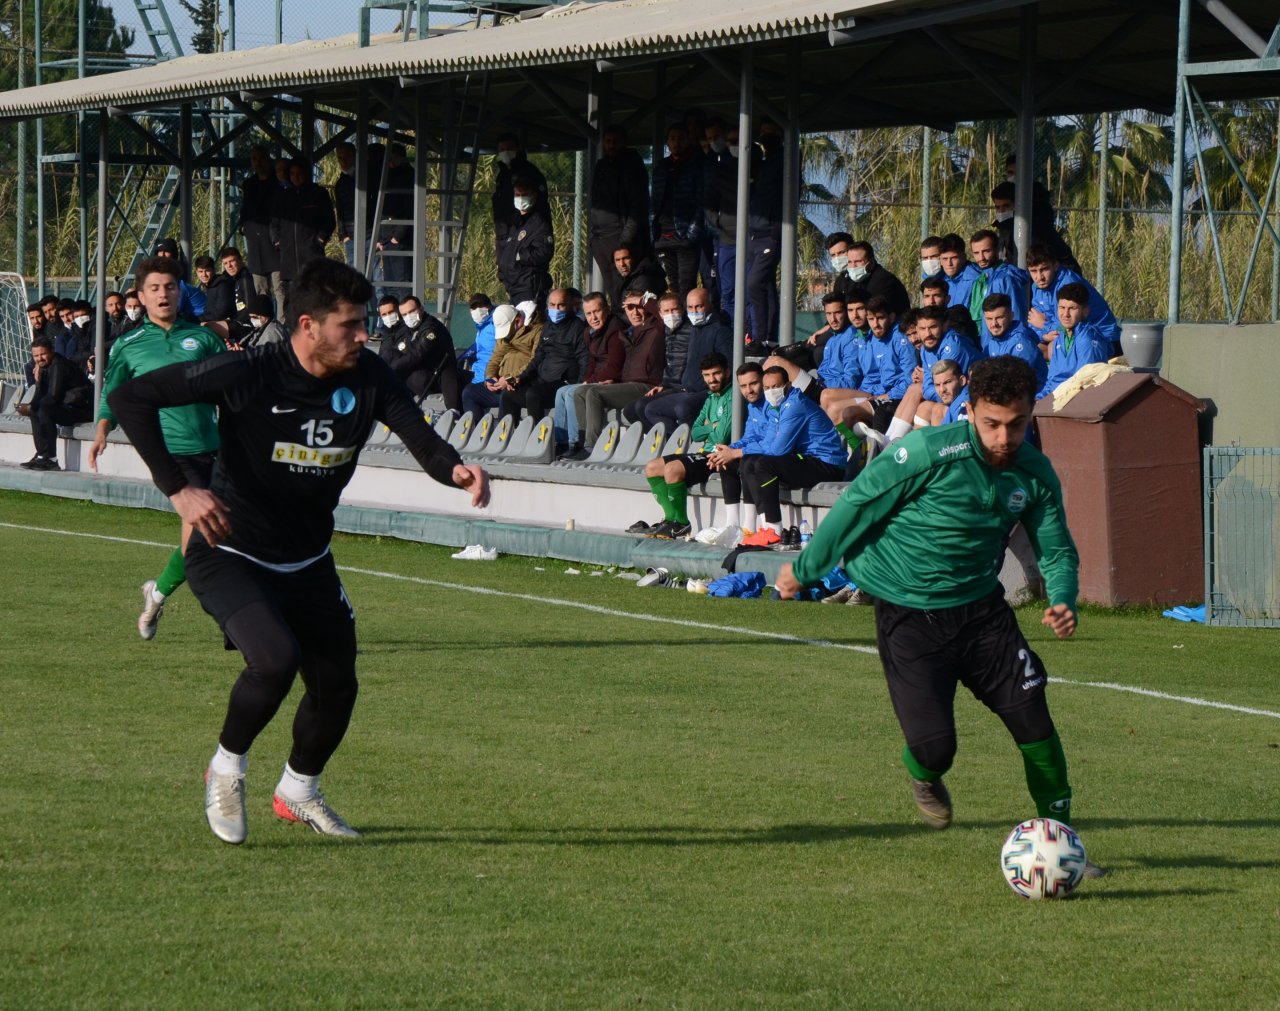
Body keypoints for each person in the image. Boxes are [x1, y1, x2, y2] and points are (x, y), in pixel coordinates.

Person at [106, 258, 491, 845]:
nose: (364, 336)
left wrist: (458, 471)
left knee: (338, 686)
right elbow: (133, 399)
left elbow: (421, 438)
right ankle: (226, 768)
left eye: (365, 324)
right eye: (351, 325)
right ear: (308, 325)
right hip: (229, 550)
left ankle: (298, 791)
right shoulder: (249, 370)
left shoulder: (369, 376)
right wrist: (180, 490)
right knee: (275, 659)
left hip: (308, 559)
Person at [776, 356, 1099, 875]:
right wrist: (806, 567)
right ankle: (923, 775)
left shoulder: (1033, 472)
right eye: (991, 423)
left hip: (982, 614)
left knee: (1035, 722)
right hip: (909, 615)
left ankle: (1065, 843)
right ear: (968, 411)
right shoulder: (926, 452)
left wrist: (1063, 597)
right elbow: (858, 503)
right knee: (935, 748)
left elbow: (1057, 549)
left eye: (1016, 425)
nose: (1003, 437)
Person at [89, 255, 227, 641]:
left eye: (170, 286)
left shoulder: (203, 338)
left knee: (210, 538)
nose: (163, 293)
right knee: (204, 533)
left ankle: (157, 593)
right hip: (171, 456)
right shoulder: (129, 345)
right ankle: (242, 623)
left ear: (180, 291)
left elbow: (233, 387)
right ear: (141, 296)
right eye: (155, 288)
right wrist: (102, 431)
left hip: (214, 449)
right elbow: (113, 395)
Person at [739, 366, 846, 546]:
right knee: (749, 461)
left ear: (787, 385)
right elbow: (767, 444)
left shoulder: (795, 404)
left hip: (827, 465)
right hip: (808, 460)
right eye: (766, 388)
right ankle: (762, 527)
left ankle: (774, 529)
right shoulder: (776, 407)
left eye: (776, 386)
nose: (771, 392)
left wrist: (738, 451)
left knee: (764, 464)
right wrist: (739, 452)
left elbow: (778, 450)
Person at [634, 353, 734, 539]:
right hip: (705, 452)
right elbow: (695, 431)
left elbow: (721, 435)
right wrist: (711, 427)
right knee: (652, 467)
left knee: (672, 469)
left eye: (716, 373)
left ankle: (681, 523)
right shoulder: (711, 397)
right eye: (707, 375)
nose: (711, 379)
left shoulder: (732, 396)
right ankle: (670, 519)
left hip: (721, 455)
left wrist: (709, 428)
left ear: (727, 372)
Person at [575, 289, 665, 453]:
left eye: (638, 307)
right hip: (627, 384)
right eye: (630, 308)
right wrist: (615, 381)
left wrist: (643, 300)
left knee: (595, 393)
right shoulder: (628, 333)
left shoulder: (656, 329)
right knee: (580, 392)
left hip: (647, 385)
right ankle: (582, 444)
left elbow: (661, 314)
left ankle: (592, 448)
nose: (635, 312)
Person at [555, 292, 625, 457]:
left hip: (612, 381)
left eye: (597, 311)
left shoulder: (616, 330)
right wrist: (587, 379)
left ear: (606, 310)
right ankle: (562, 442)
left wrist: (589, 382)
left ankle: (577, 443)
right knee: (561, 392)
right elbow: (592, 362)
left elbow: (615, 366)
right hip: (597, 379)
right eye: (588, 313)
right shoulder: (590, 332)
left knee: (573, 393)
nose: (593, 317)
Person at [500, 288, 586, 420]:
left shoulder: (578, 328)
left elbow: (583, 359)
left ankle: (537, 435)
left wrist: (579, 386)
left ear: (569, 306)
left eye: (561, 305)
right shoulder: (547, 327)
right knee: (509, 394)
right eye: (552, 305)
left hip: (563, 383)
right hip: (542, 379)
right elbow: (538, 356)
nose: (556, 309)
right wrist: (520, 377)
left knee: (533, 394)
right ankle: (508, 436)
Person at [1026, 245, 1120, 353]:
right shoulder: (1037, 287)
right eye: (1033, 271)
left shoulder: (1069, 283)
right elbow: (1033, 321)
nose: (1039, 277)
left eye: (1044, 269)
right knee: (1028, 346)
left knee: (1054, 348)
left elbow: (1070, 321)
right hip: (1064, 334)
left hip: (1103, 339)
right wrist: (1044, 336)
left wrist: (1044, 325)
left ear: (1056, 265)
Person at [588, 125, 650, 286]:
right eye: (608, 141)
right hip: (600, 238)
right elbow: (594, 203)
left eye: (615, 141)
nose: (611, 145)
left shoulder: (632, 166)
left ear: (624, 142)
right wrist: (593, 239)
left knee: (625, 286)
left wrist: (625, 240)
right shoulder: (601, 166)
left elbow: (638, 206)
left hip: (620, 236)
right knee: (612, 288)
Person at [19, 336, 93, 471]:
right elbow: (42, 397)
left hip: (82, 410)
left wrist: (33, 398)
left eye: (43, 354)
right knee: (35, 409)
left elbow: (52, 397)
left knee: (44, 409)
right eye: (36, 356)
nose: (39, 359)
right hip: (66, 407)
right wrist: (28, 403)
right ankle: (42, 456)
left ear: (52, 352)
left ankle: (52, 460)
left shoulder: (59, 365)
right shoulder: (44, 366)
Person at [650, 123, 704, 300]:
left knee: (686, 284)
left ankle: (689, 323)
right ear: (667, 142)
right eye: (672, 138)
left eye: (680, 138)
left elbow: (701, 201)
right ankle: (674, 322)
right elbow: (654, 201)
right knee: (671, 285)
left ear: (688, 140)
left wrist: (691, 233)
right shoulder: (661, 167)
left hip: (684, 236)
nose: (676, 142)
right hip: (662, 236)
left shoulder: (695, 165)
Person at [1037, 283, 1113, 400]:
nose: (1065, 314)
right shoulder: (1060, 338)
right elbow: (1053, 381)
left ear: (1085, 311)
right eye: (1062, 308)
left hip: (1075, 403)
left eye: (1072, 308)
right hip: (1056, 399)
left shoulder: (1088, 340)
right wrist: (1038, 399)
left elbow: (1083, 384)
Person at [271, 160, 335, 299]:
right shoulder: (284, 196)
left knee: (314, 297)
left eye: (300, 173)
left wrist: (320, 239)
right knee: (292, 300)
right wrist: (277, 241)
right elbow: (275, 222)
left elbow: (329, 220)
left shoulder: (318, 193)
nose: (296, 177)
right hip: (289, 259)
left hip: (312, 256)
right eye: (292, 174)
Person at [391, 295, 463, 411]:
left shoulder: (431, 328)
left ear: (421, 309)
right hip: (423, 371)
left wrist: (391, 368)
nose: (409, 316)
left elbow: (416, 354)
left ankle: (454, 414)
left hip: (440, 375)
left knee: (410, 376)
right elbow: (393, 350)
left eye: (412, 311)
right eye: (404, 314)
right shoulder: (405, 329)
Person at [239, 145, 284, 312]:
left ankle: (281, 327)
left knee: (280, 290)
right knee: (260, 291)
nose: (257, 163)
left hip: (275, 244)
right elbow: (244, 209)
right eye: (254, 159)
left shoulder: (278, 183)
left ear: (268, 159)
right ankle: (265, 327)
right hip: (255, 245)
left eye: (261, 158)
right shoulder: (249, 184)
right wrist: (243, 226)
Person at [497, 177, 554, 305]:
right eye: (518, 195)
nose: (521, 198)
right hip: (513, 286)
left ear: (534, 195)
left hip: (528, 287)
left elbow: (544, 252)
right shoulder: (515, 222)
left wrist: (519, 256)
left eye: (525, 195)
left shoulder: (539, 222)